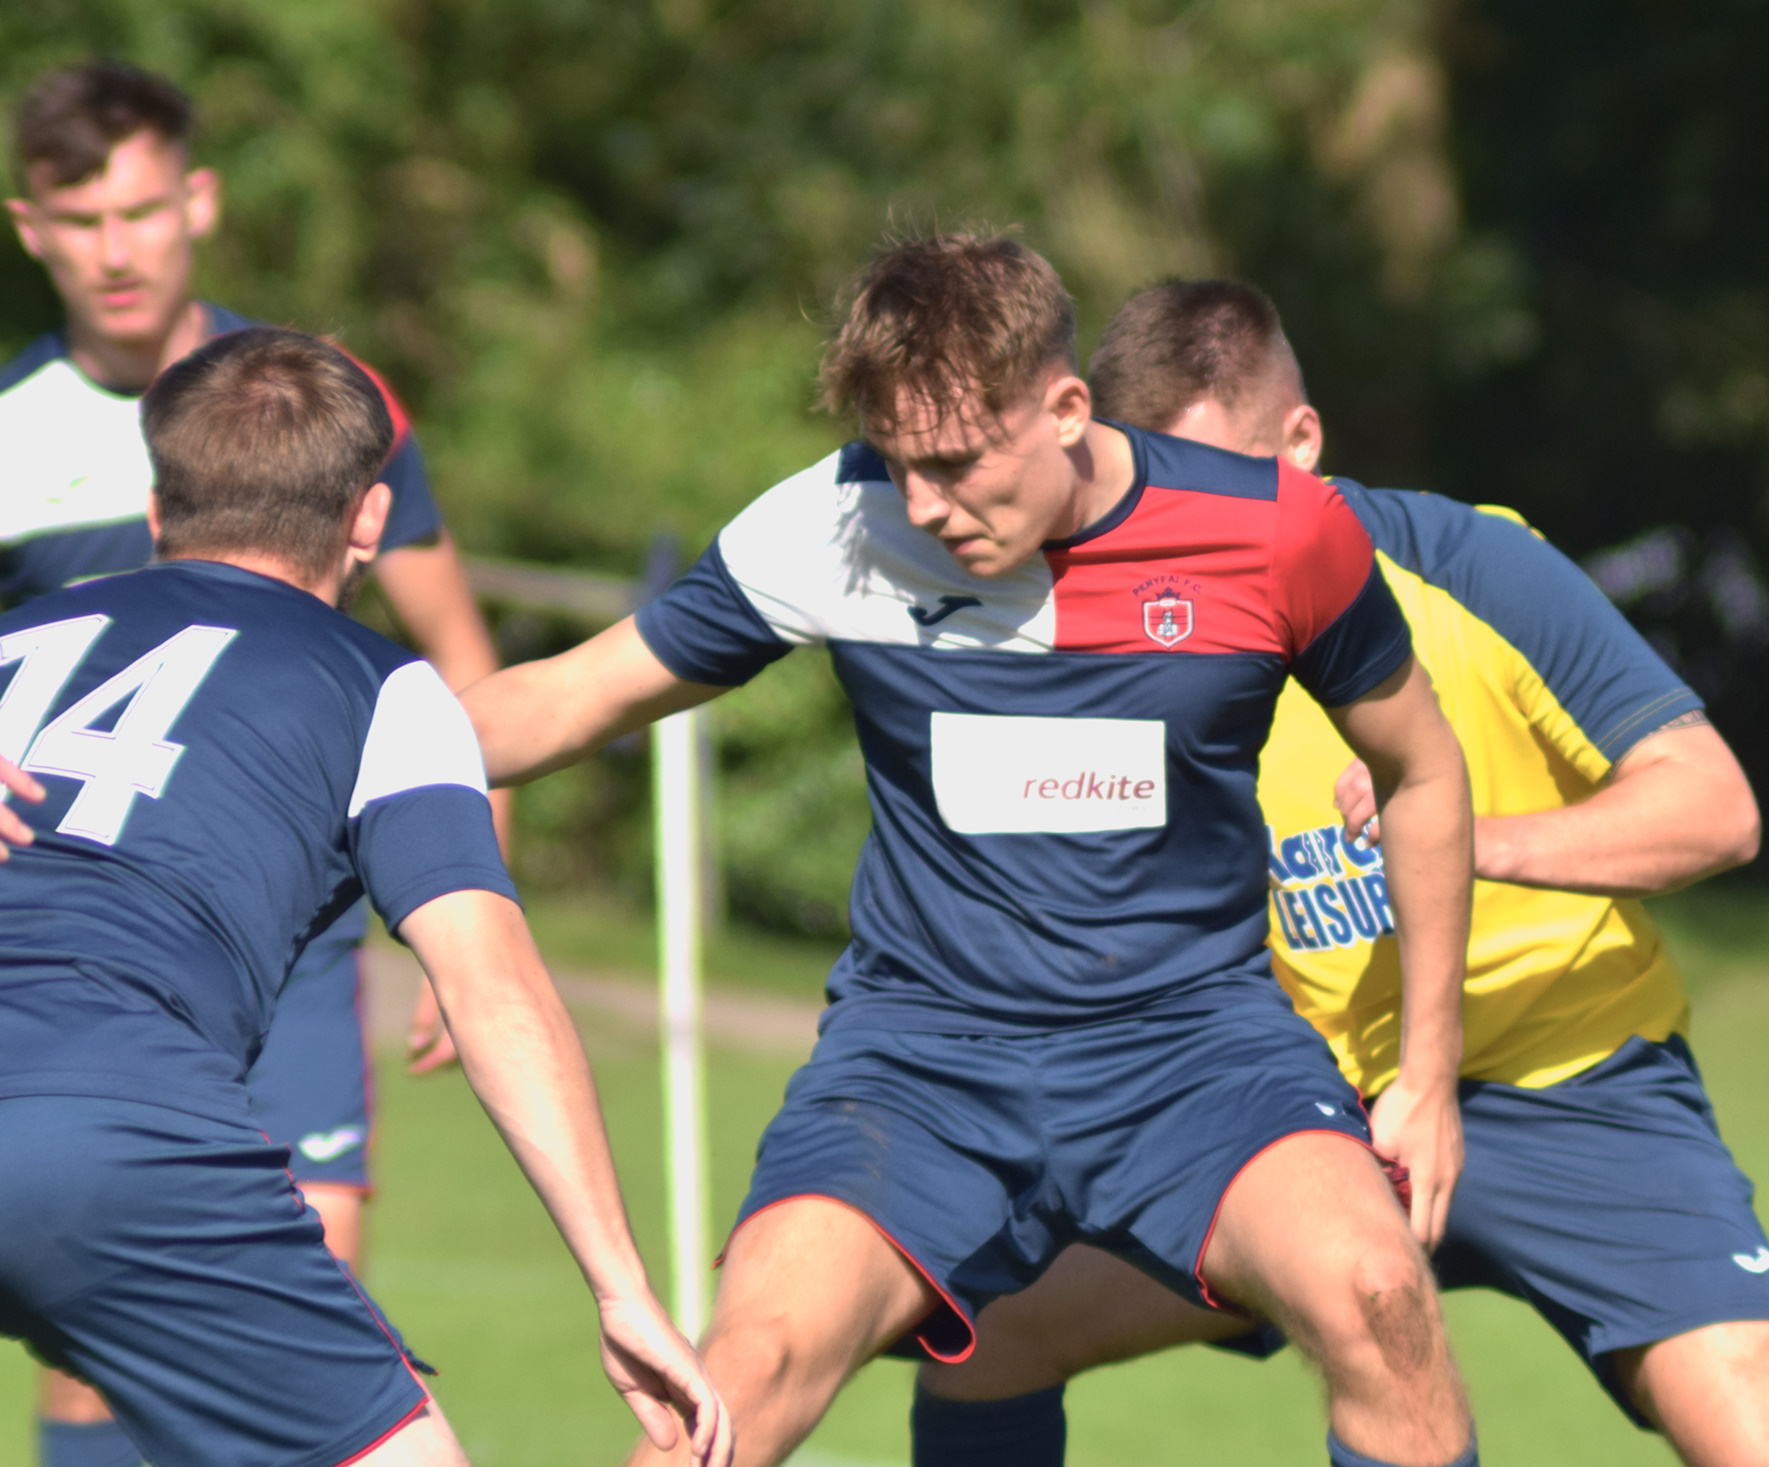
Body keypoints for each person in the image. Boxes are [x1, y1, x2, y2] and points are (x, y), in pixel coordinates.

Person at [461, 231, 1481, 1467]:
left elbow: (1422, 770)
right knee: (736, 1386)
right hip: (922, 1059)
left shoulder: (1273, 532)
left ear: (1064, 406)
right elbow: (564, 699)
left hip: (1192, 1046)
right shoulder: (835, 525)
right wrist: (329, 758)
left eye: (954, 464)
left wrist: (1426, 1072)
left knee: (1379, 1298)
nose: (927, 506)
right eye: (899, 467)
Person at [905, 278, 1769, 1466]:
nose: (1188, 524)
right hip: (1288, 1112)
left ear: (1300, 446)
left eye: (1223, 482)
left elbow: (1714, 809)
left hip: (1570, 1083)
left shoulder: (1472, 565)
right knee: (983, 1333)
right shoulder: (1099, 623)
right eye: (1160, 487)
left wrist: (1461, 840)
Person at [0, 327, 727, 1467]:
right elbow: (496, 995)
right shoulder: (386, 689)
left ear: (157, 507)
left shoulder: (15, 636)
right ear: (373, 522)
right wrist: (621, 1287)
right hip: (106, 1127)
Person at [0, 61, 503, 1467]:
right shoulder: (9, 432)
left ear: (198, 204)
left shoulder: (311, 407)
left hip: (284, 931)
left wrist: (478, 912)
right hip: (77, 933)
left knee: (312, 1276)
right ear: (28, 227)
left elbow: (458, 659)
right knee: (97, 1325)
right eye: (79, 215)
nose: (117, 247)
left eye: (143, 209)